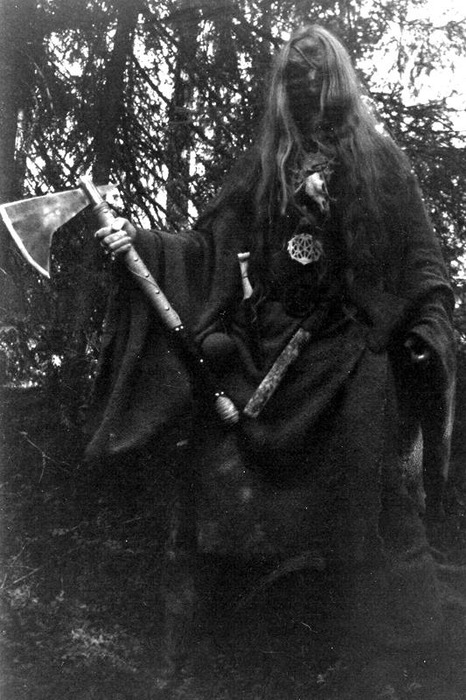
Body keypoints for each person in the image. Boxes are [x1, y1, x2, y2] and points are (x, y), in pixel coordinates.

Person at [88, 24, 461, 697]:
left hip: (352, 349)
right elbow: (206, 249)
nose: (309, 94)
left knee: (368, 475)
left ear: (338, 85)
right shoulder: (264, 166)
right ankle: (221, 649)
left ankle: (389, 662)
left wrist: (424, 331)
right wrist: (135, 239)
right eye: (296, 81)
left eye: (320, 81)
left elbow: (423, 264)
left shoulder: (380, 163)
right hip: (269, 354)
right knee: (217, 456)